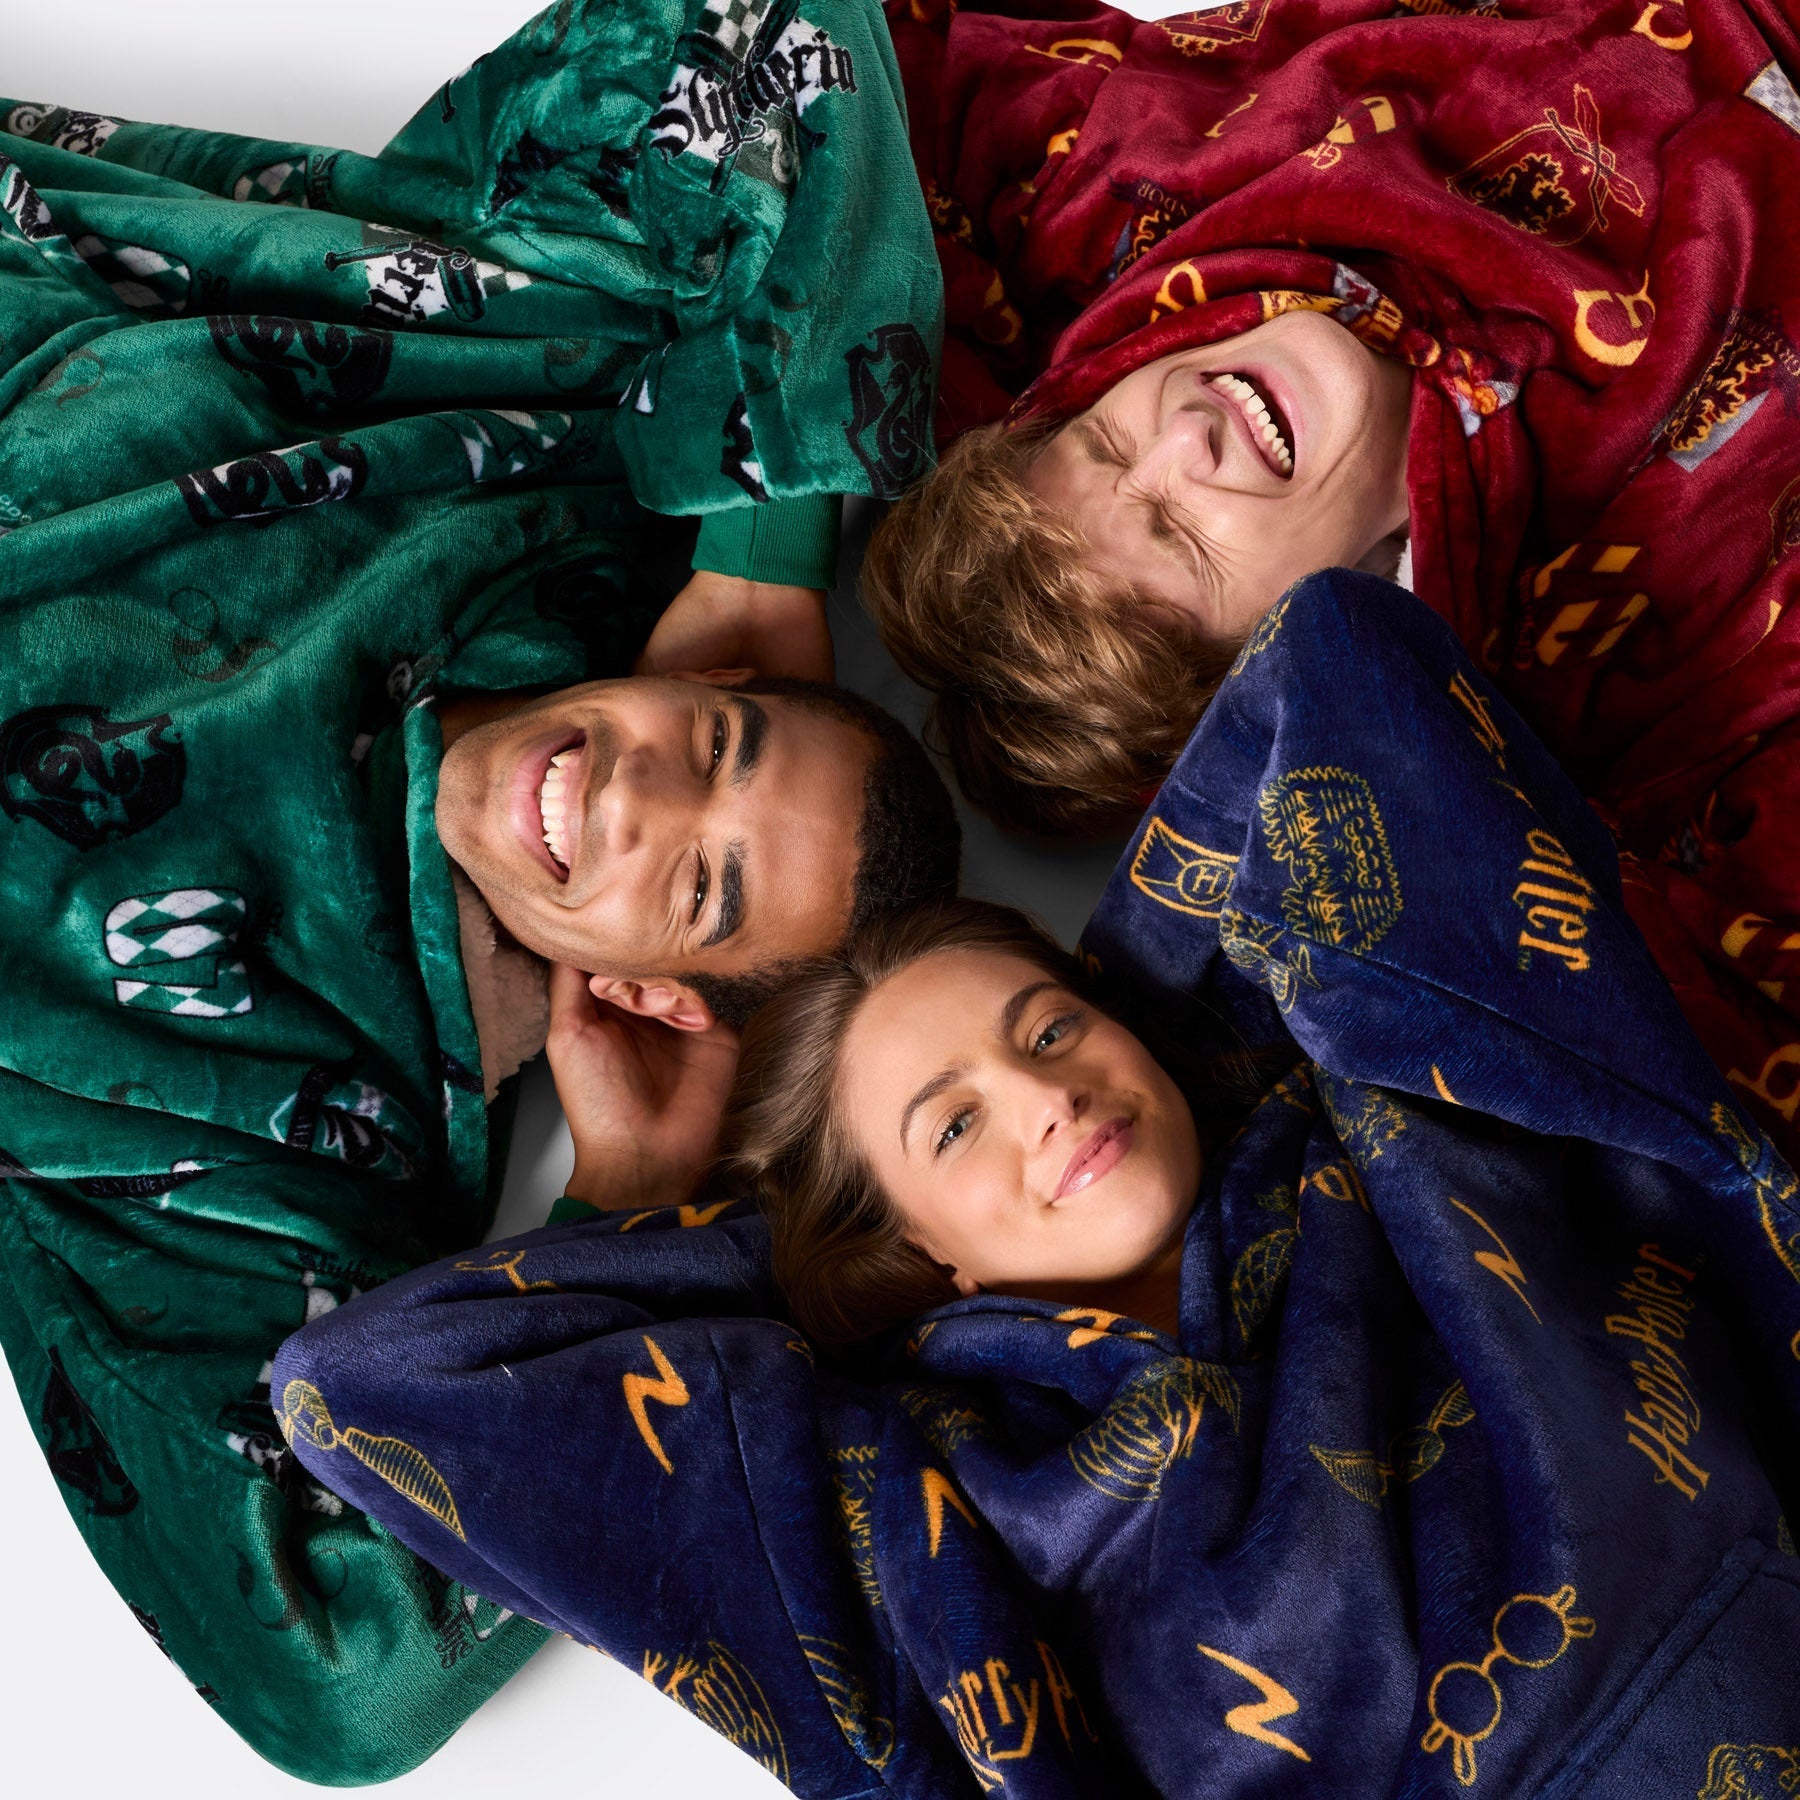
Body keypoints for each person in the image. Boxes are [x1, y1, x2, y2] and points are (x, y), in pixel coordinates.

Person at [273, 572, 1800, 1796]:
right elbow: (360, 1385)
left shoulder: (1378, 1120)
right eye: (950, 1130)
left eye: (1051, 1030)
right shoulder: (938, 1507)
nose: (1046, 1098)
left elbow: (1332, 657)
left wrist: (1162, 1003)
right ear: (919, 1247)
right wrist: (669, 1196)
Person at [0, 0, 953, 1780]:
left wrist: (620, 1214)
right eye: (720, 743)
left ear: (652, 996)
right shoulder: (544, 437)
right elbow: (769, 34)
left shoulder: (308, 1154)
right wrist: (764, 552)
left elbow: (344, 1683)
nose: (645, 793)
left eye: (702, 890)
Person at [852, 0, 1800, 1171]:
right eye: (1180, 538)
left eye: (1102, 442)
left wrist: (762, 555)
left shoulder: (1139, 201)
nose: (1181, 435)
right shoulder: (1663, 677)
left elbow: (823, 78)